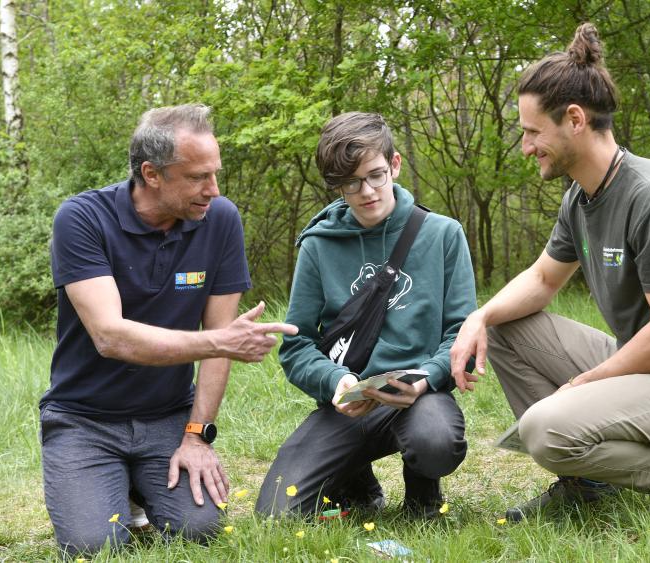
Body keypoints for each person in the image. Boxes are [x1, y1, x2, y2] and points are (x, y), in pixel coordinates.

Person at [450, 24, 650, 521]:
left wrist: (589, 381)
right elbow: (544, 280)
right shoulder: (580, 197)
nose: (525, 147)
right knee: (506, 327)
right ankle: (586, 480)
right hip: (649, 366)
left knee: (545, 429)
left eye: (531, 132)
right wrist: (479, 317)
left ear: (574, 119)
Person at [41, 104, 297, 555]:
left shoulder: (219, 219)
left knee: (199, 530)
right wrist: (220, 341)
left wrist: (197, 434)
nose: (213, 190)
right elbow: (111, 337)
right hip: (84, 419)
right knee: (93, 546)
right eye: (199, 177)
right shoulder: (81, 219)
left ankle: (139, 484)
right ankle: (110, 485)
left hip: (168, 417)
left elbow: (222, 336)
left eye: (215, 174)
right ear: (152, 174)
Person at [255, 112, 476, 518]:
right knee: (276, 514)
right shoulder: (318, 246)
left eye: (375, 175)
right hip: (350, 400)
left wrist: (428, 377)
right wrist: (336, 381)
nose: (367, 191)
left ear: (394, 164)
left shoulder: (443, 234)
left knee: (436, 441)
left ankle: (423, 494)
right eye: (351, 183)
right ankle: (358, 485)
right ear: (337, 186)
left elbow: (463, 334)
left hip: (420, 399)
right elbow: (297, 344)